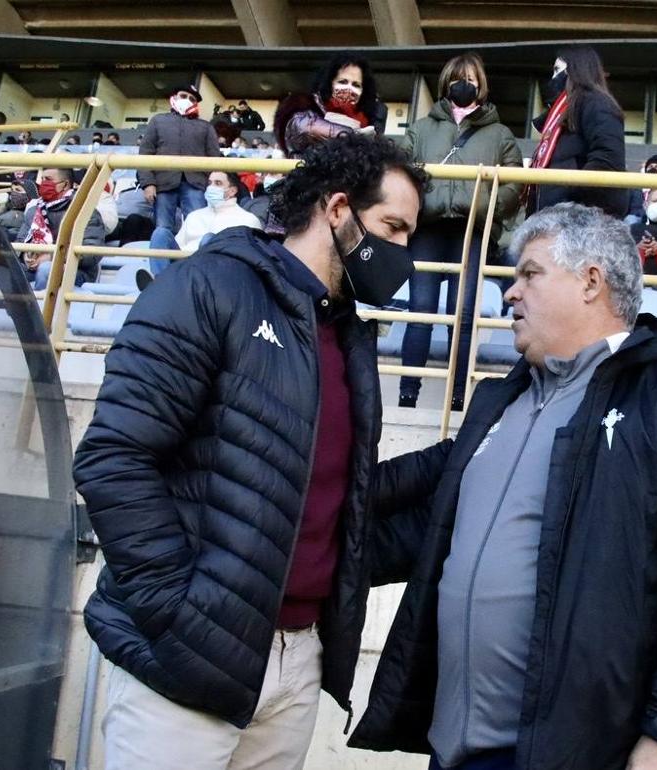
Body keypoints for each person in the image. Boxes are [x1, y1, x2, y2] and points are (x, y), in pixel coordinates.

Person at [350, 202, 657, 770]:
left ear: (591, 281)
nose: (510, 293)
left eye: (530, 273)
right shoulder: (504, 402)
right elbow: (430, 531)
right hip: (457, 752)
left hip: (586, 754)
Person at [75, 134, 427, 770]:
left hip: (296, 667)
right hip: (185, 665)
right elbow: (114, 458)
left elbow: (327, 497)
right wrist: (177, 616)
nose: (403, 254)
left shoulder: (346, 336)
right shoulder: (210, 287)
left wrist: (459, 461)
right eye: (393, 229)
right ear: (339, 209)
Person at [396, 52, 523, 411]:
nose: (463, 84)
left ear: (481, 84)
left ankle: (456, 399)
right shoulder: (421, 128)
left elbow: (515, 182)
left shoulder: (500, 134)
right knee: (420, 312)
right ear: (446, 83)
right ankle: (408, 395)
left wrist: (488, 208)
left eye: (470, 78)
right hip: (428, 230)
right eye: (456, 78)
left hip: (472, 231)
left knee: (462, 315)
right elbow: (402, 168)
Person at [524, 46, 627, 217]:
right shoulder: (562, 113)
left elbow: (607, 159)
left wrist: (568, 196)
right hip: (555, 216)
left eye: (557, 70)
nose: (553, 77)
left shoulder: (596, 103)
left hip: (578, 219)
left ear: (575, 70)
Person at [138, 83, 222, 235]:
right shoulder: (158, 121)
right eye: (184, 96)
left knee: (198, 230)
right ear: (175, 97)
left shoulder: (206, 127)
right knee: (162, 229)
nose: (188, 100)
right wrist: (147, 183)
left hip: (196, 184)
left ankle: (195, 259)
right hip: (163, 183)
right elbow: (145, 153)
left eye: (192, 99)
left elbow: (214, 157)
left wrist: (213, 185)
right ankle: (162, 259)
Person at [147, 170, 263, 275]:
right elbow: (179, 247)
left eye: (218, 183)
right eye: (210, 183)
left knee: (209, 239)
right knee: (160, 234)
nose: (211, 187)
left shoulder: (247, 219)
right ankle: (161, 282)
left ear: (232, 191)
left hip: (217, 275)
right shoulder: (194, 216)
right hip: (185, 267)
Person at [15, 167, 106, 289]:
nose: (43, 183)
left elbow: (91, 253)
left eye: (48, 179)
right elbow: (20, 241)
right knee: (4, 269)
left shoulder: (85, 212)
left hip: (75, 271)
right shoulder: (34, 211)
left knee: (47, 269)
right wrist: (25, 255)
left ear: (65, 184)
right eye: (42, 179)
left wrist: (52, 257)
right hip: (33, 269)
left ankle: (39, 307)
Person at [274, 54, 379, 159]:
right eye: (343, 82)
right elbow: (304, 129)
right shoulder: (304, 105)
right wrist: (354, 136)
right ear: (329, 82)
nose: (349, 89)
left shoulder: (366, 121)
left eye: (356, 85)